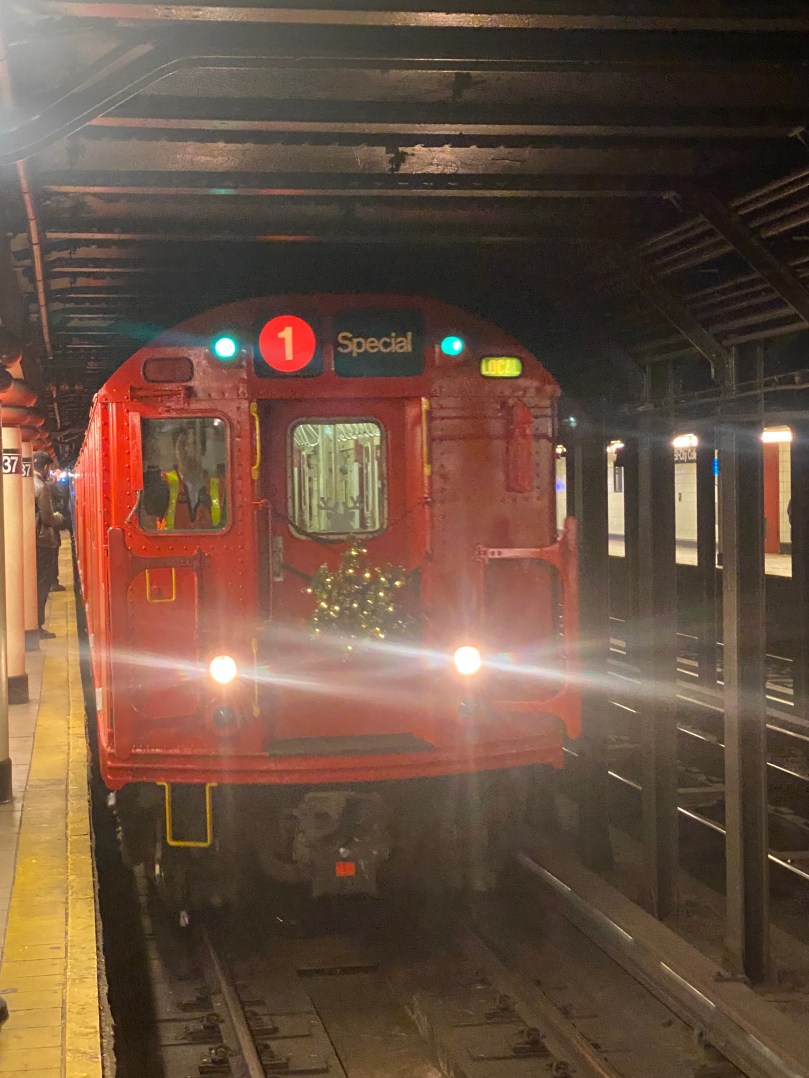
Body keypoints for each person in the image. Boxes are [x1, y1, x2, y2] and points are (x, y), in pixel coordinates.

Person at [142, 423, 224, 531]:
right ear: (175, 449)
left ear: (203, 450)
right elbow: (151, 507)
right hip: (171, 547)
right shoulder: (164, 482)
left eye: (194, 443)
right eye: (182, 444)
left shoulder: (221, 487)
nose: (187, 449)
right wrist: (153, 459)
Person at [33, 451, 63, 639]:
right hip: (42, 541)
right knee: (42, 584)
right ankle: (38, 625)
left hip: (30, 540)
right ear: (45, 467)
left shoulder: (24, 482)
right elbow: (48, 518)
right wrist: (59, 517)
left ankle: (32, 623)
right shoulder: (41, 487)